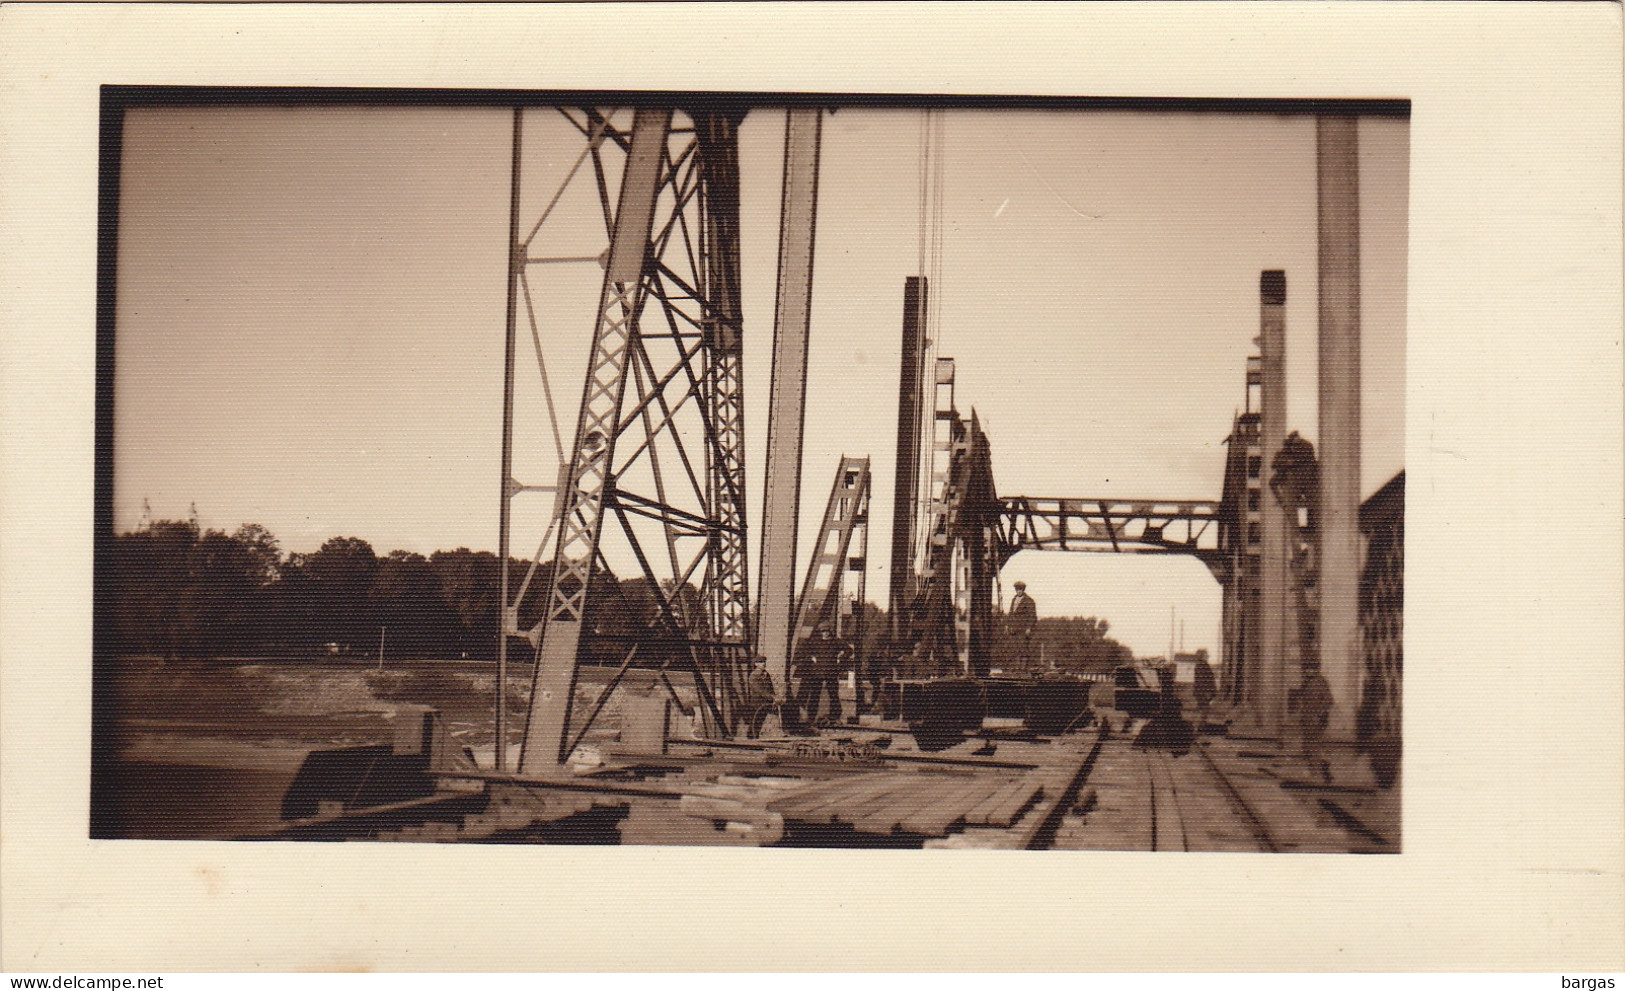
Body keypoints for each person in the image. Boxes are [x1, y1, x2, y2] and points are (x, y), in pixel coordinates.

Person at [794, 624, 849, 729]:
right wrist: (811, 657)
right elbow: (803, 650)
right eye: (823, 631)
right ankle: (811, 717)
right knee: (815, 695)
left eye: (827, 631)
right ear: (820, 632)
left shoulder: (836, 642)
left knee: (833, 695)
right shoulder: (815, 642)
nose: (825, 633)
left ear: (830, 632)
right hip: (817, 672)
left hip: (831, 671)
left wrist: (841, 658)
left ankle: (835, 717)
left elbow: (849, 650)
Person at [1295, 666, 1335, 783]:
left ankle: (1317, 773)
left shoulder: (1320, 682)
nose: (1306, 671)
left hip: (1315, 720)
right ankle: (1319, 769)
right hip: (1307, 719)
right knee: (1308, 747)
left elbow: (1329, 701)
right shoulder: (1307, 682)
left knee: (1313, 747)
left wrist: (1319, 714)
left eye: (1309, 669)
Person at [740, 656, 778, 739]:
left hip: (766, 701)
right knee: (755, 720)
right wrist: (771, 697)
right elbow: (759, 690)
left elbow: (770, 688)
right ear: (756, 664)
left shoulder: (766, 674)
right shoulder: (753, 676)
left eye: (764, 662)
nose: (763, 664)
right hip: (757, 702)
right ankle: (751, 737)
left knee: (761, 720)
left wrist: (774, 697)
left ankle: (755, 737)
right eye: (761, 662)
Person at [1008, 581, 1038, 670]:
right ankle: (1017, 668)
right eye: (1017, 590)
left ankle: (1023, 668)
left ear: (1023, 590)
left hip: (1023, 629)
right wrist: (1008, 625)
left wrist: (1029, 628)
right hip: (1014, 629)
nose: (1018, 591)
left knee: (1023, 648)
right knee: (1016, 649)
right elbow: (1011, 613)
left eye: (1020, 589)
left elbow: (1032, 616)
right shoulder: (1014, 599)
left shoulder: (1029, 601)